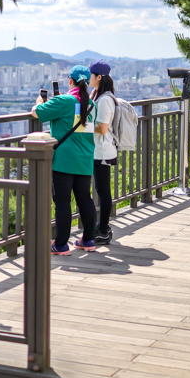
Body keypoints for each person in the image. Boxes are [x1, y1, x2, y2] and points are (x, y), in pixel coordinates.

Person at [31, 65, 97, 255]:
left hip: (64, 160)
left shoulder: (64, 100)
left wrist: (39, 102)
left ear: (71, 81)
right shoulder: (92, 104)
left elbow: (37, 112)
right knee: (85, 199)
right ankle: (88, 239)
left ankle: (60, 244)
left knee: (62, 202)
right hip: (85, 158)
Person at [88, 59, 116, 244]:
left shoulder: (105, 99)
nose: (88, 78)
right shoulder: (99, 95)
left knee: (103, 191)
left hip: (103, 151)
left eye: (91, 74)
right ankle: (102, 227)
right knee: (101, 189)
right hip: (98, 150)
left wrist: (83, 125)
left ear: (98, 77)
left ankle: (104, 229)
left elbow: (102, 128)